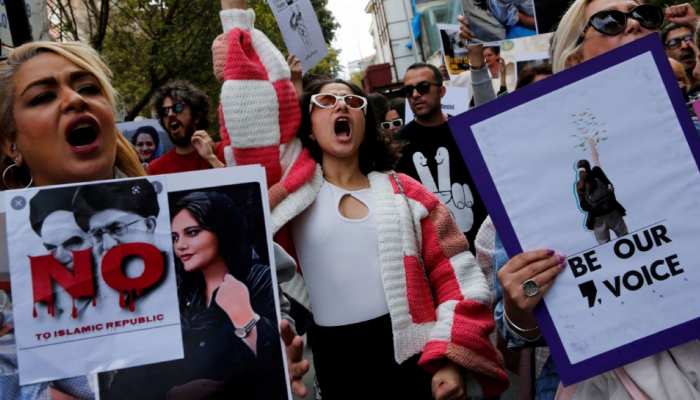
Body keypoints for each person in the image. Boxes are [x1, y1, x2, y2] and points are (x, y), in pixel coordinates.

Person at [216, 6, 509, 395]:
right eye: (326, 102)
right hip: (337, 368)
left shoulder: (408, 194)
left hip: (415, 364)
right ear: (308, 123)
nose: (341, 107)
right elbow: (249, 113)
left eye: (353, 103)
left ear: (365, 123)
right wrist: (235, 18)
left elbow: (457, 278)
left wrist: (450, 360)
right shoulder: (291, 193)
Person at [0, 38, 308, 398]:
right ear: (11, 142)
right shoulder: (7, 254)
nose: (74, 100)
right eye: (43, 97)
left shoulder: (180, 216)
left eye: (88, 87)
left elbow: (270, 297)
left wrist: (270, 357)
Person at [480, 1, 700, 399]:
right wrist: (520, 304)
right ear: (574, 57)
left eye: (646, 15)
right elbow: (518, 331)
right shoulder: (528, 173)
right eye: (610, 20)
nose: (633, 24)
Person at [99, 191, 287, 399]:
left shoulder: (258, 280)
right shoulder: (179, 293)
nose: (180, 245)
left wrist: (243, 316)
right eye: (175, 237)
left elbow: (278, 366)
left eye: (192, 232)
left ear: (222, 230)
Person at [396, 62, 488, 247]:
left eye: (423, 87)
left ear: (441, 91)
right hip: (434, 254)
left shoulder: (466, 132)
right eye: (408, 91)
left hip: (483, 242)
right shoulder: (397, 146)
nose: (415, 95)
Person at [147, 80, 225, 175]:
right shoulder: (156, 169)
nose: (170, 114)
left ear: (196, 116)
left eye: (178, 108)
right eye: (165, 111)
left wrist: (211, 158)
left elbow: (239, 188)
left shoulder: (223, 151)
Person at [575, 138, 627, 244]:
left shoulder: (592, 175)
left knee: (622, 238)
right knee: (611, 242)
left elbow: (609, 186)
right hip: (602, 215)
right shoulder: (582, 183)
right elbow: (583, 204)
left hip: (608, 212)